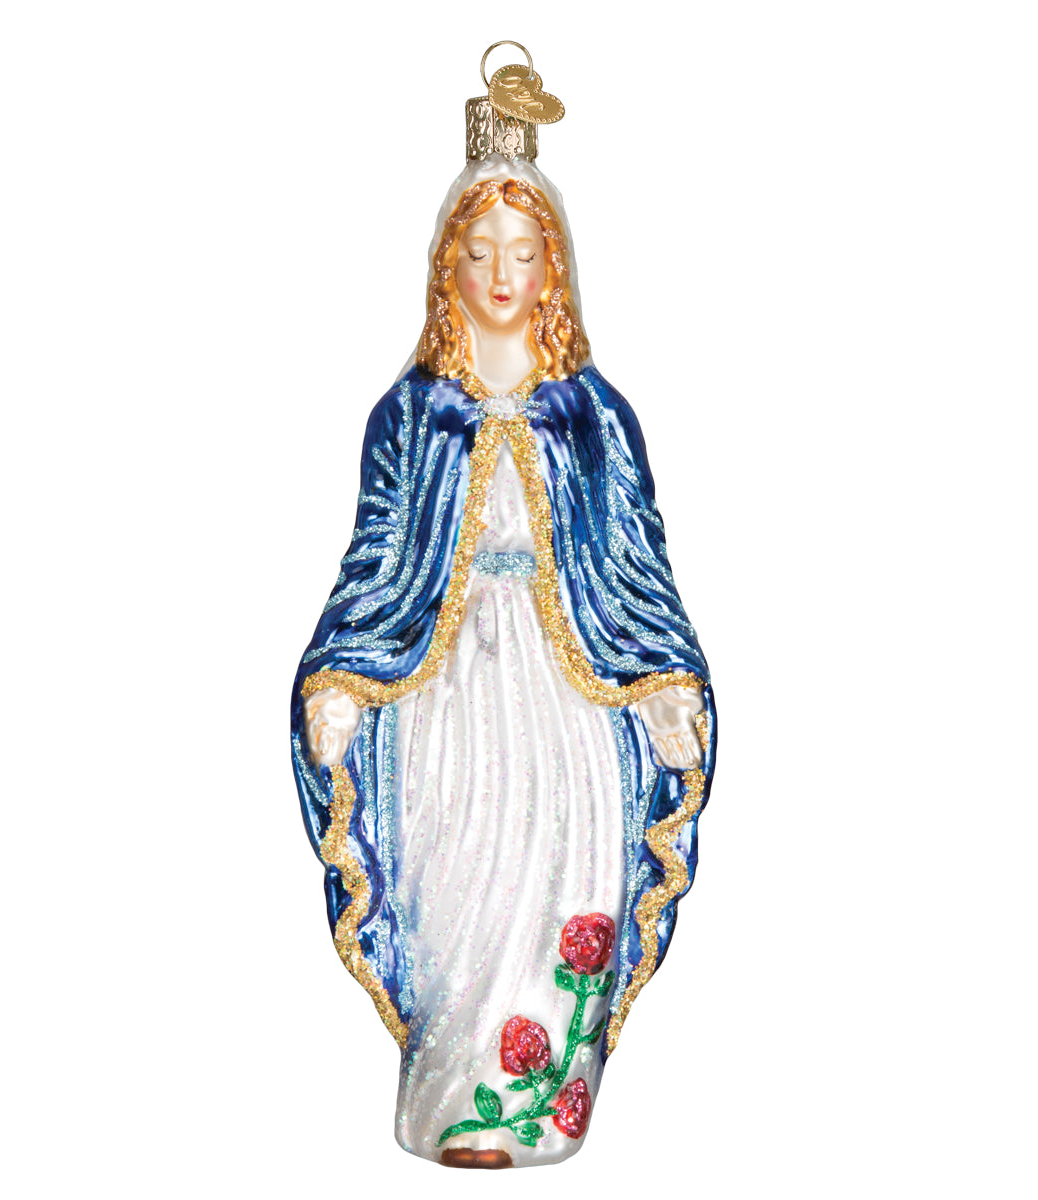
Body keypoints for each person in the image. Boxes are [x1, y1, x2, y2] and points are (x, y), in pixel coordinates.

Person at [291, 153, 716, 1168]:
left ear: (553, 268)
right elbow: (378, 554)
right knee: (452, 885)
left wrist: (661, 685)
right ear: (446, 264)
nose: (499, 274)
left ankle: (540, 1104)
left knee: (561, 864)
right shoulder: (410, 415)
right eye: (478, 252)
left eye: (522, 254)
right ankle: (449, 1094)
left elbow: (636, 558)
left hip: (565, 696)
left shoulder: (594, 416)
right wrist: (344, 676)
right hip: (447, 691)